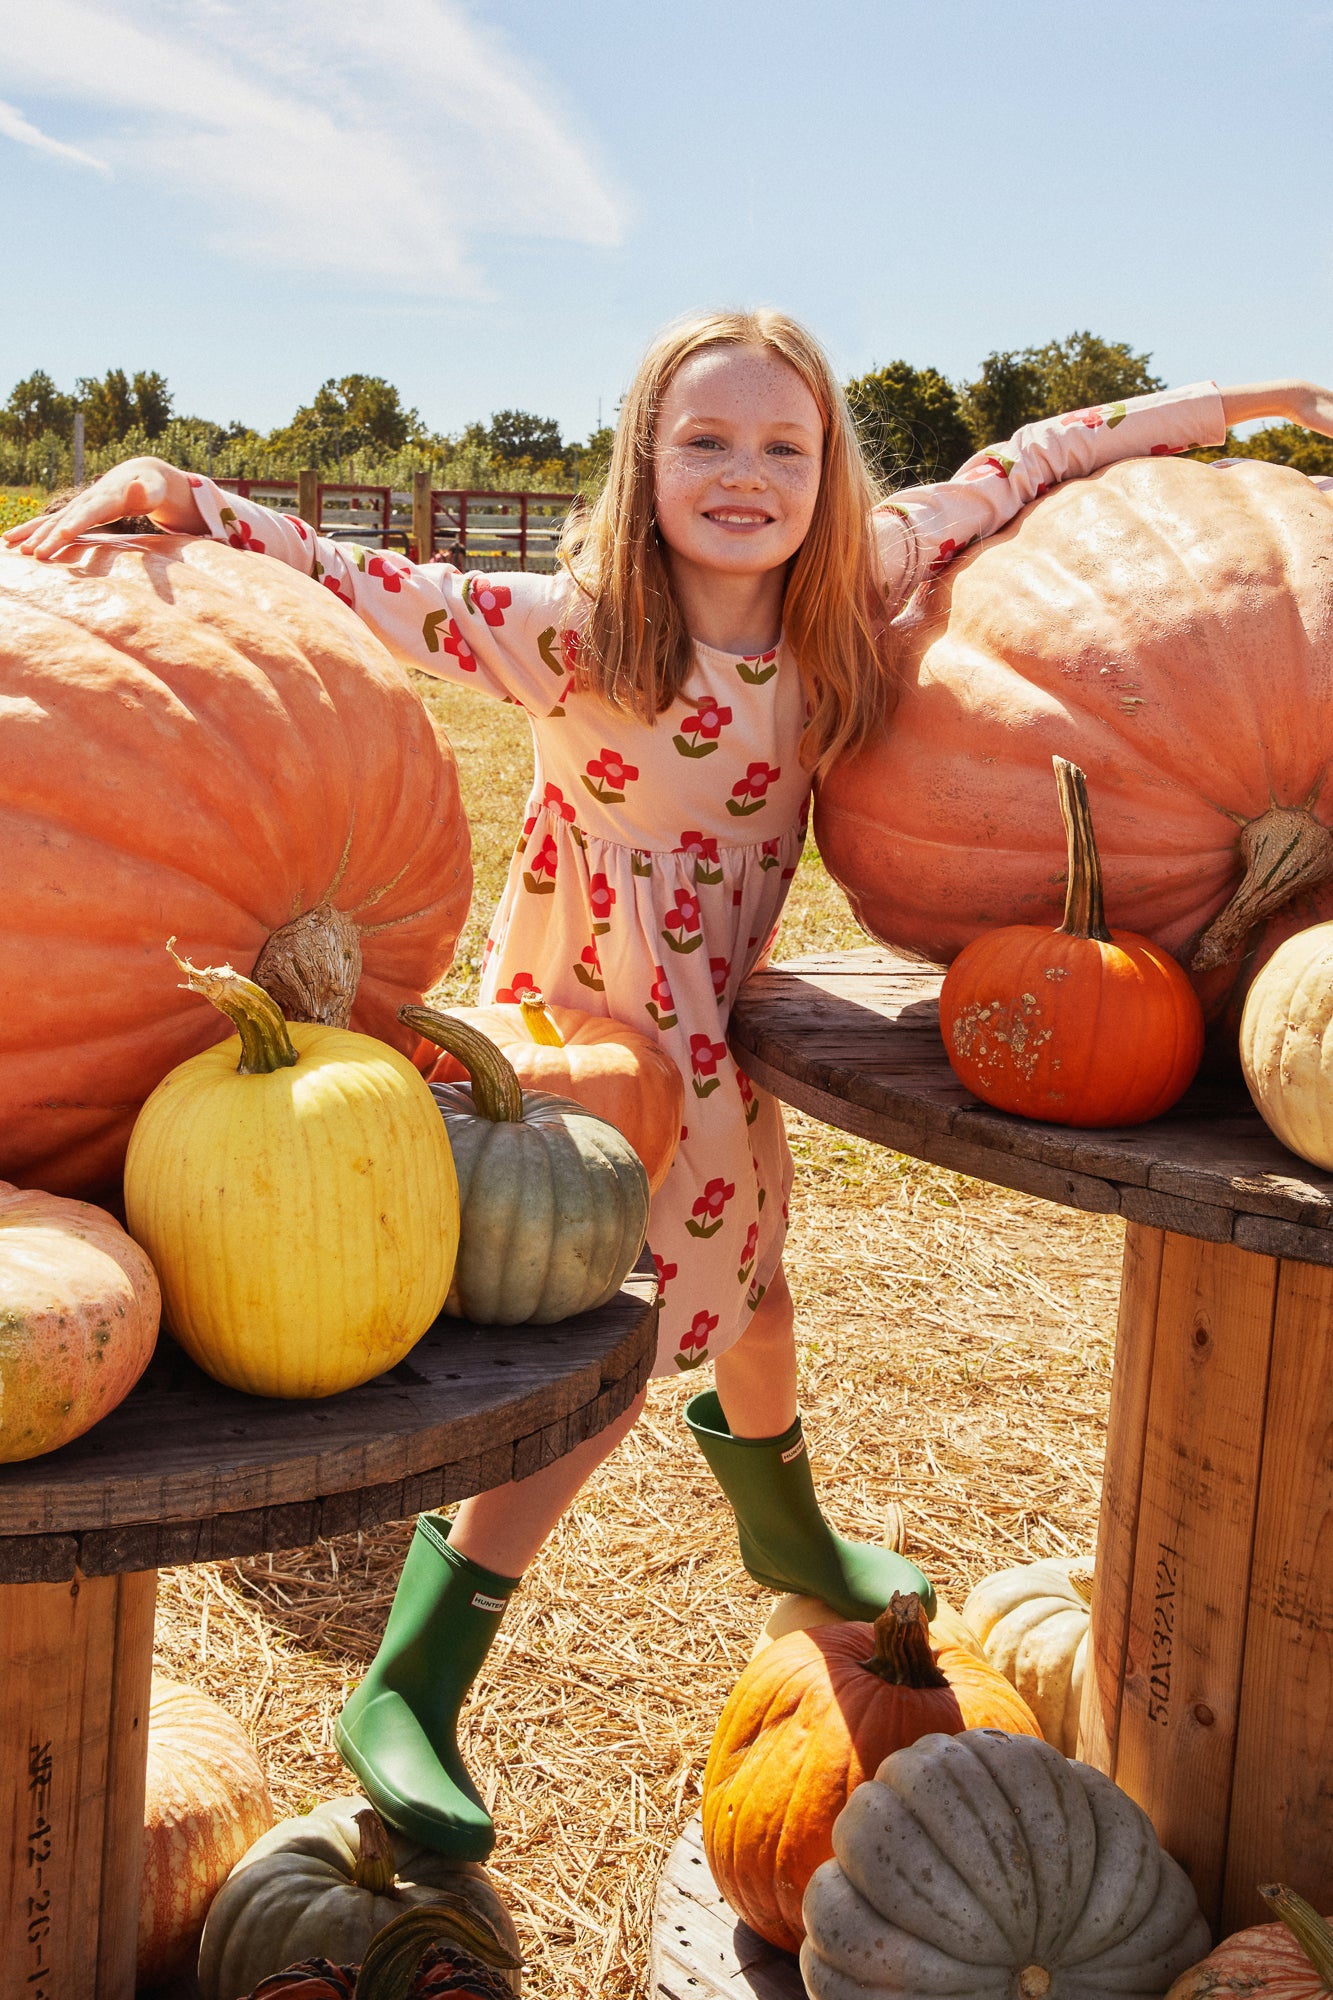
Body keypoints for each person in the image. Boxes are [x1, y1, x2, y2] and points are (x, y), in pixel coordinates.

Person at [11, 315, 1332, 1865]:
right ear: (643, 462)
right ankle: (418, 1673)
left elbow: (1020, 463)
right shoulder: (573, 634)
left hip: (714, 1025)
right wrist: (187, 497)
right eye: (703, 442)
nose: (743, 476)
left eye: (782, 447)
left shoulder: (852, 597)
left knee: (754, 1285)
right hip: (595, 1033)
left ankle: (784, 1530)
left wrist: (1231, 406)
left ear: (828, 474)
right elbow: (359, 581)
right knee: (630, 1343)